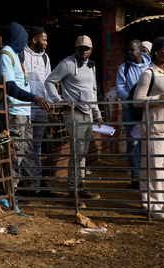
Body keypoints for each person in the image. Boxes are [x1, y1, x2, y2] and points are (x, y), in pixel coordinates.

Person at [44, 35, 104, 207]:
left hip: (88, 113)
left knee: (83, 152)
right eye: (80, 48)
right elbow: (49, 81)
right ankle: (72, 191)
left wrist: (97, 113)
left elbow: (92, 91)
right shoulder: (67, 64)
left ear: (91, 50)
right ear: (75, 49)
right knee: (76, 152)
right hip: (74, 112)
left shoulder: (90, 66)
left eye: (87, 48)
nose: (83, 51)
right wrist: (57, 99)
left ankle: (80, 186)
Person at [0, 22, 50, 204]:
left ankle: (33, 188)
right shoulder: (6, 56)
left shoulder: (15, 56)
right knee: (16, 154)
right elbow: (9, 86)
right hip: (15, 111)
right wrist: (33, 97)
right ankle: (14, 193)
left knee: (26, 152)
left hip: (23, 111)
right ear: (18, 38)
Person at [133, 36, 164, 218]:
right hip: (154, 127)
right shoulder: (149, 73)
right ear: (156, 52)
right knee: (152, 166)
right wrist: (161, 98)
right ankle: (151, 205)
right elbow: (137, 101)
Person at [20, 26, 55, 198]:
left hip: (41, 109)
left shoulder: (46, 58)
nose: (46, 43)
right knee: (22, 146)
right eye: (44, 39)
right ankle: (22, 182)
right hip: (24, 108)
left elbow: (48, 82)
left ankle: (37, 181)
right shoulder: (21, 55)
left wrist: (49, 102)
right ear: (34, 40)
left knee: (36, 146)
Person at [116, 39, 151, 189]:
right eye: (128, 50)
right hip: (130, 111)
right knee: (132, 144)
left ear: (141, 50)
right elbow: (120, 90)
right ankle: (135, 177)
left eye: (132, 50)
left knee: (148, 144)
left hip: (148, 111)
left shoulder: (151, 67)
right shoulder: (123, 68)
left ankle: (147, 175)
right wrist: (133, 100)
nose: (129, 53)